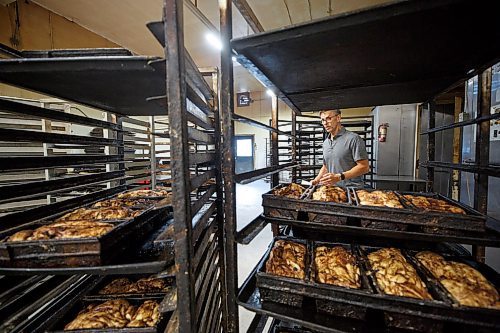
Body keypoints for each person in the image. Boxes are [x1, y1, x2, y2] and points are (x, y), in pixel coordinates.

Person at [311, 109, 370, 187]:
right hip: (333, 189)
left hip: (352, 189)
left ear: (338, 118)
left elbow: (364, 167)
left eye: (329, 118)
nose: (325, 123)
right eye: (322, 120)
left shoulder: (353, 138)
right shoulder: (326, 143)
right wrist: (317, 180)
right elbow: (326, 166)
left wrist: (339, 177)